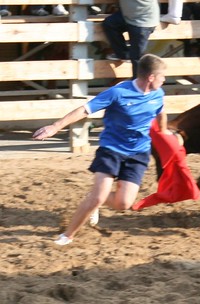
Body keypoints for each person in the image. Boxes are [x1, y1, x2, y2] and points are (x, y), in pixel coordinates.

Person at [32, 54, 168, 246]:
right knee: (98, 196)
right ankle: (67, 236)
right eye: (162, 76)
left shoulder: (158, 94)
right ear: (151, 77)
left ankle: (97, 200)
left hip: (138, 152)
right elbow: (84, 110)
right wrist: (56, 126)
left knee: (123, 204)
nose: (165, 80)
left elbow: (161, 112)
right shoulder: (118, 92)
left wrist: (164, 133)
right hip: (111, 149)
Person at [102, 0, 160, 79]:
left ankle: (138, 87)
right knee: (109, 24)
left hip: (143, 21)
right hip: (129, 16)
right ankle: (124, 54)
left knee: (137, 58)